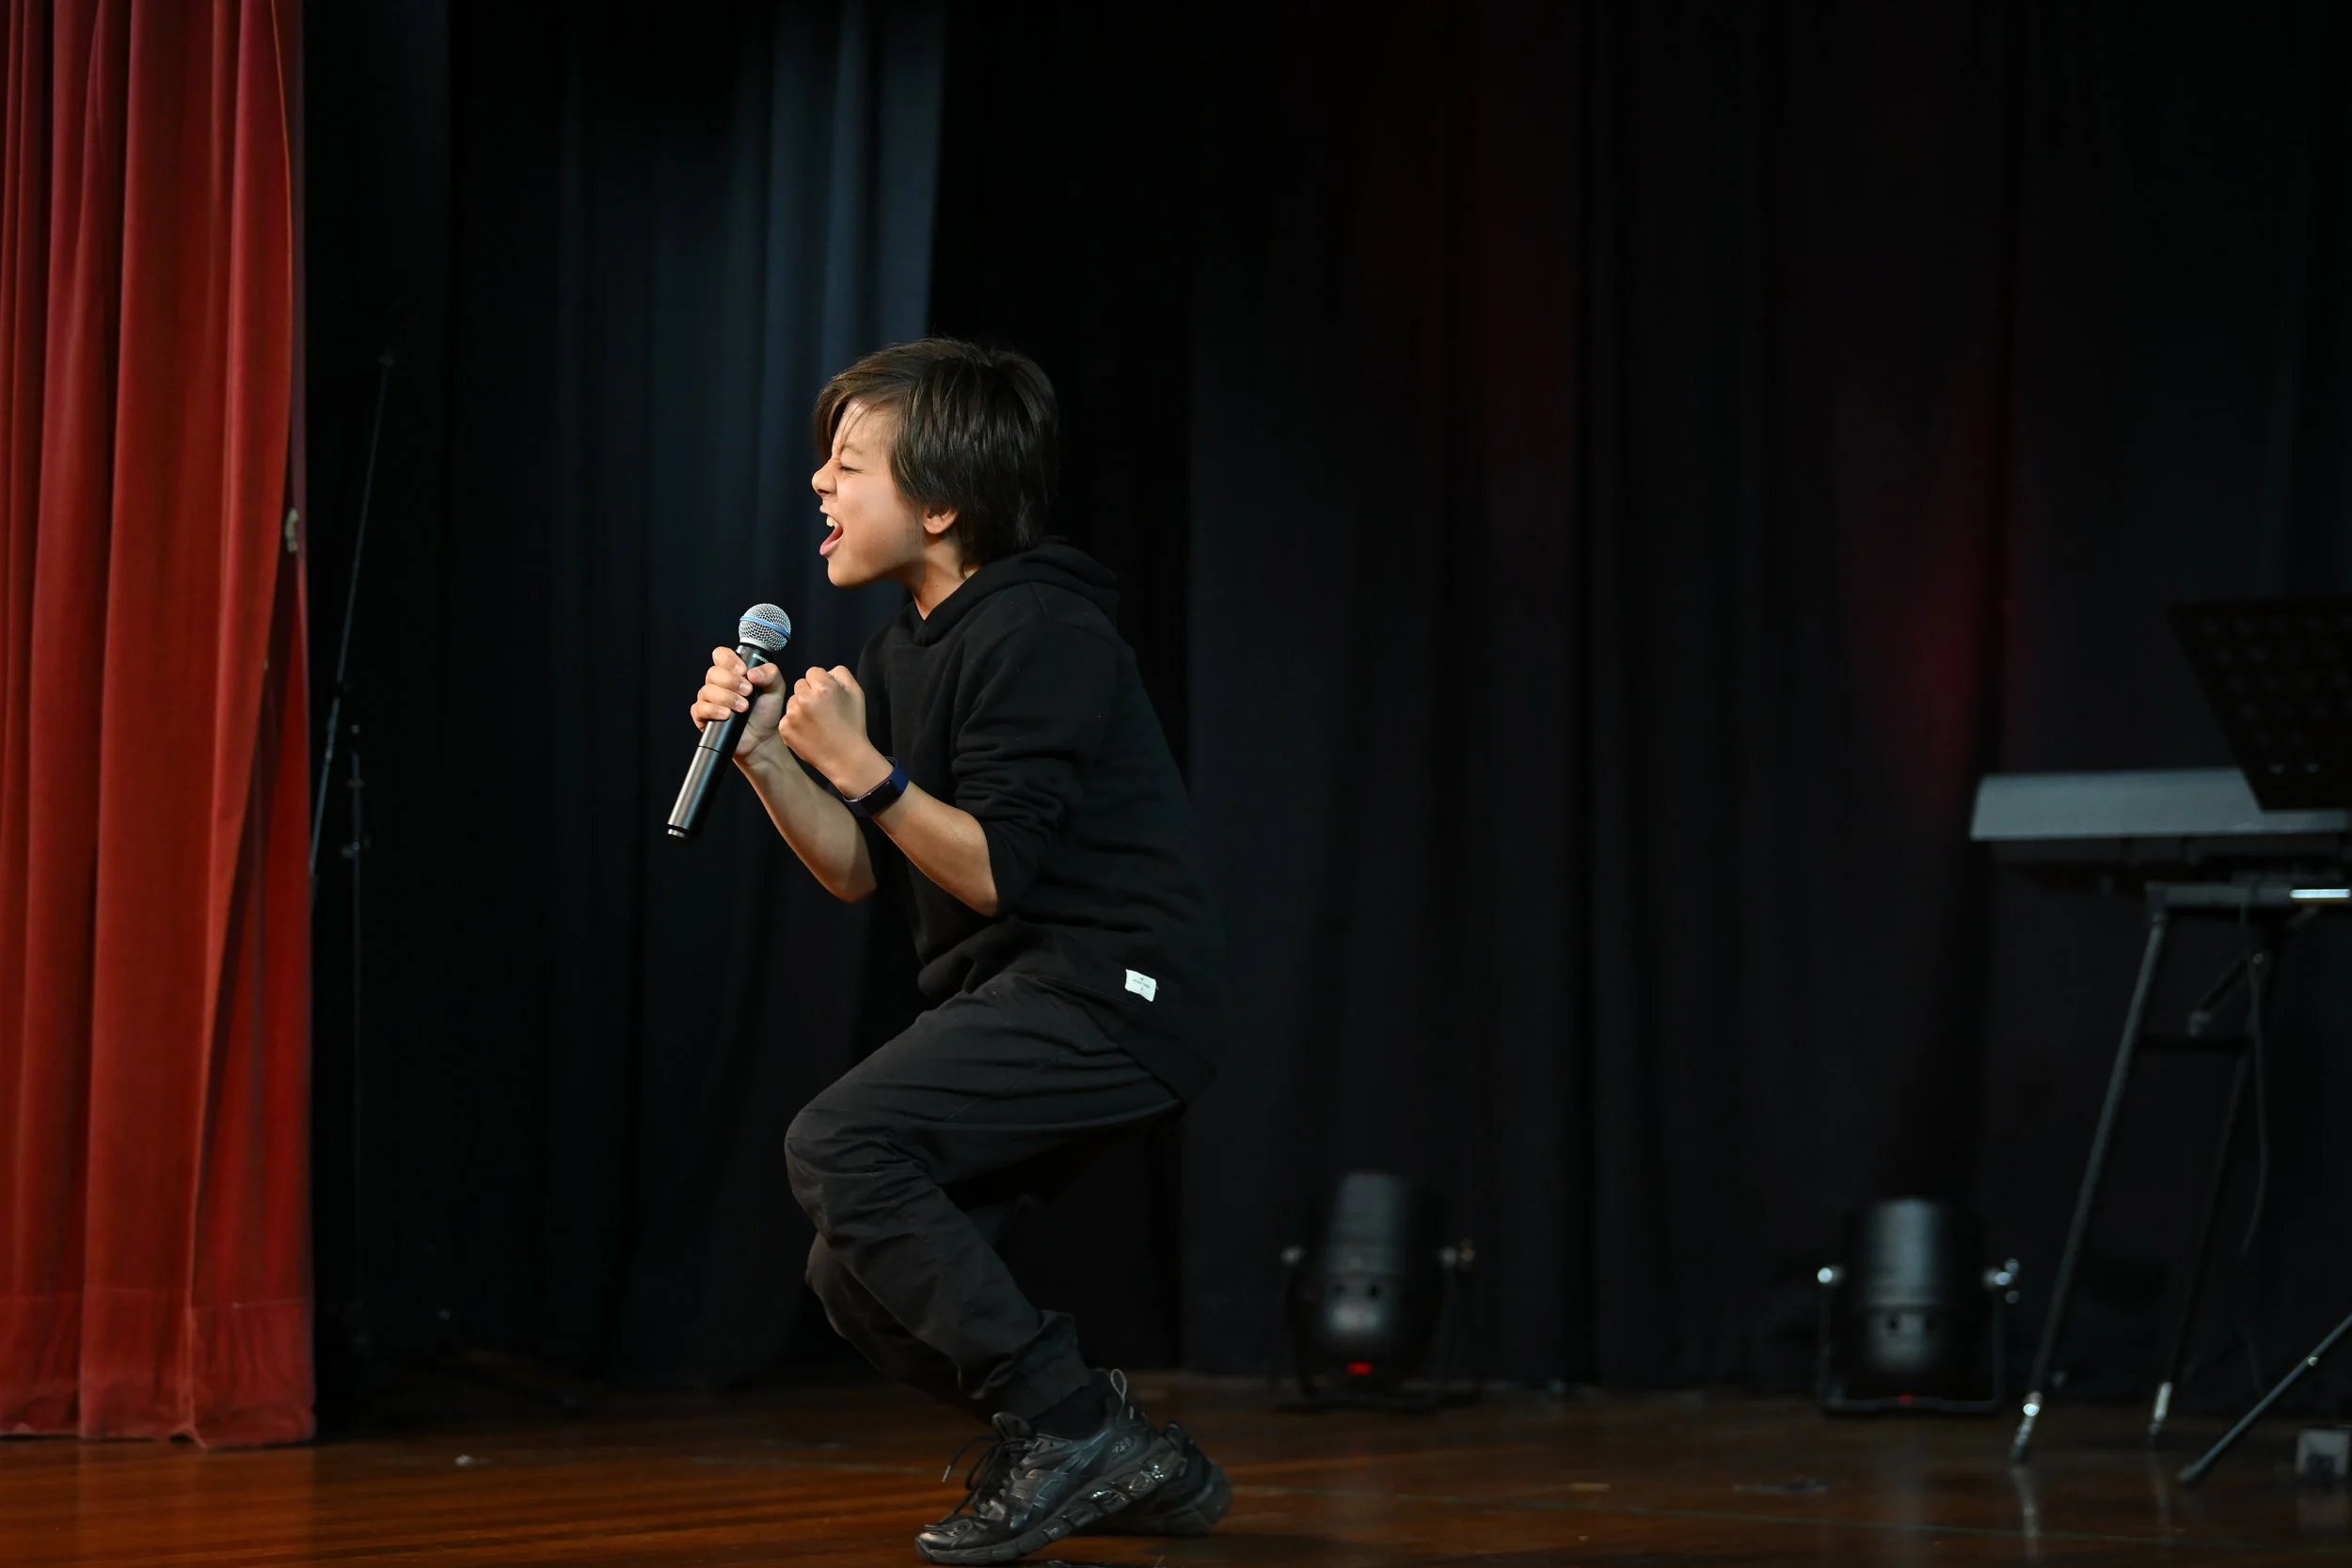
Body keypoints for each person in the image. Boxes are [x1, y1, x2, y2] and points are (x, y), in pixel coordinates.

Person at [688, 338, 1230, 1564]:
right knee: (848, 1273)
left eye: (849, 465)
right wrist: (774, 753)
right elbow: (857, 867)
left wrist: (862, 764)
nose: (819, 486)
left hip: (1118, 992)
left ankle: (1072, 1425)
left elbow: (992, 868)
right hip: (1022, 991)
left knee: (841, 1139)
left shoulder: (1043, 626)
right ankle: (1116, 1454)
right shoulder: (898, 650)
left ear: (940, 501)